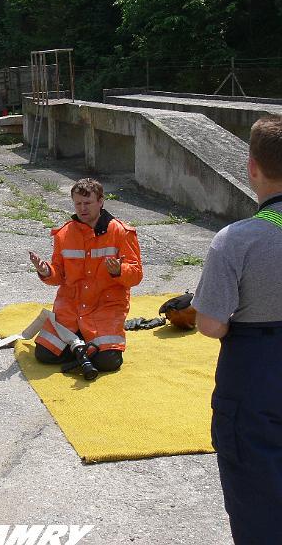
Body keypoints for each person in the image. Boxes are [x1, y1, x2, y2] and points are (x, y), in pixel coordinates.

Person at [193, 116, 282, 545]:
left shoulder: (237, 240)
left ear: (252, 167)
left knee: (259, 502)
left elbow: (211, 324)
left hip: (257, 376)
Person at [28, 178, 143, 371]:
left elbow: (136, 275)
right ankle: (82, 347)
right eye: (78, 203)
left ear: (101, 201)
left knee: (108, 363)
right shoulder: (64, 234)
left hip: (105, 308)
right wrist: (46, 271)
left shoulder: (122, 232)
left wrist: (118, 271)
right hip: (71, 308)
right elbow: (58, 275)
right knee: (44, 354)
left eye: (87, 203)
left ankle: (80, 347)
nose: (82, 208)